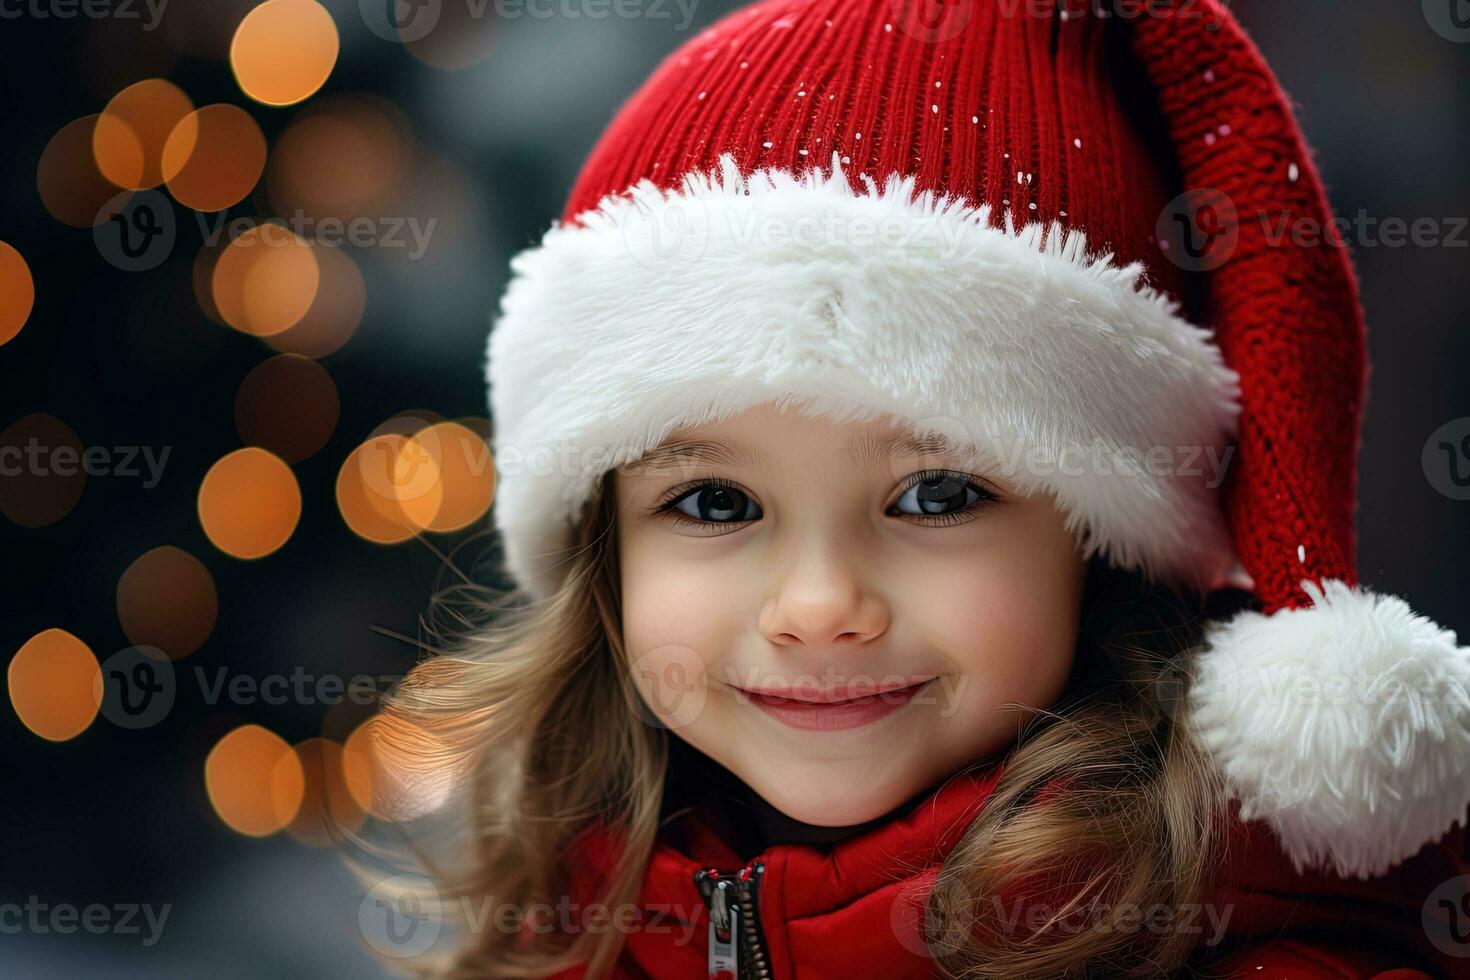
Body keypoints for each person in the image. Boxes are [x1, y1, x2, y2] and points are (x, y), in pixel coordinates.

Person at [372, 0, 1470, 975]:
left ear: (1100, 539)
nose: (816, 605)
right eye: (714, 501)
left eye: (936, 495)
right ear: (603, 547)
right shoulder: (574, 923)